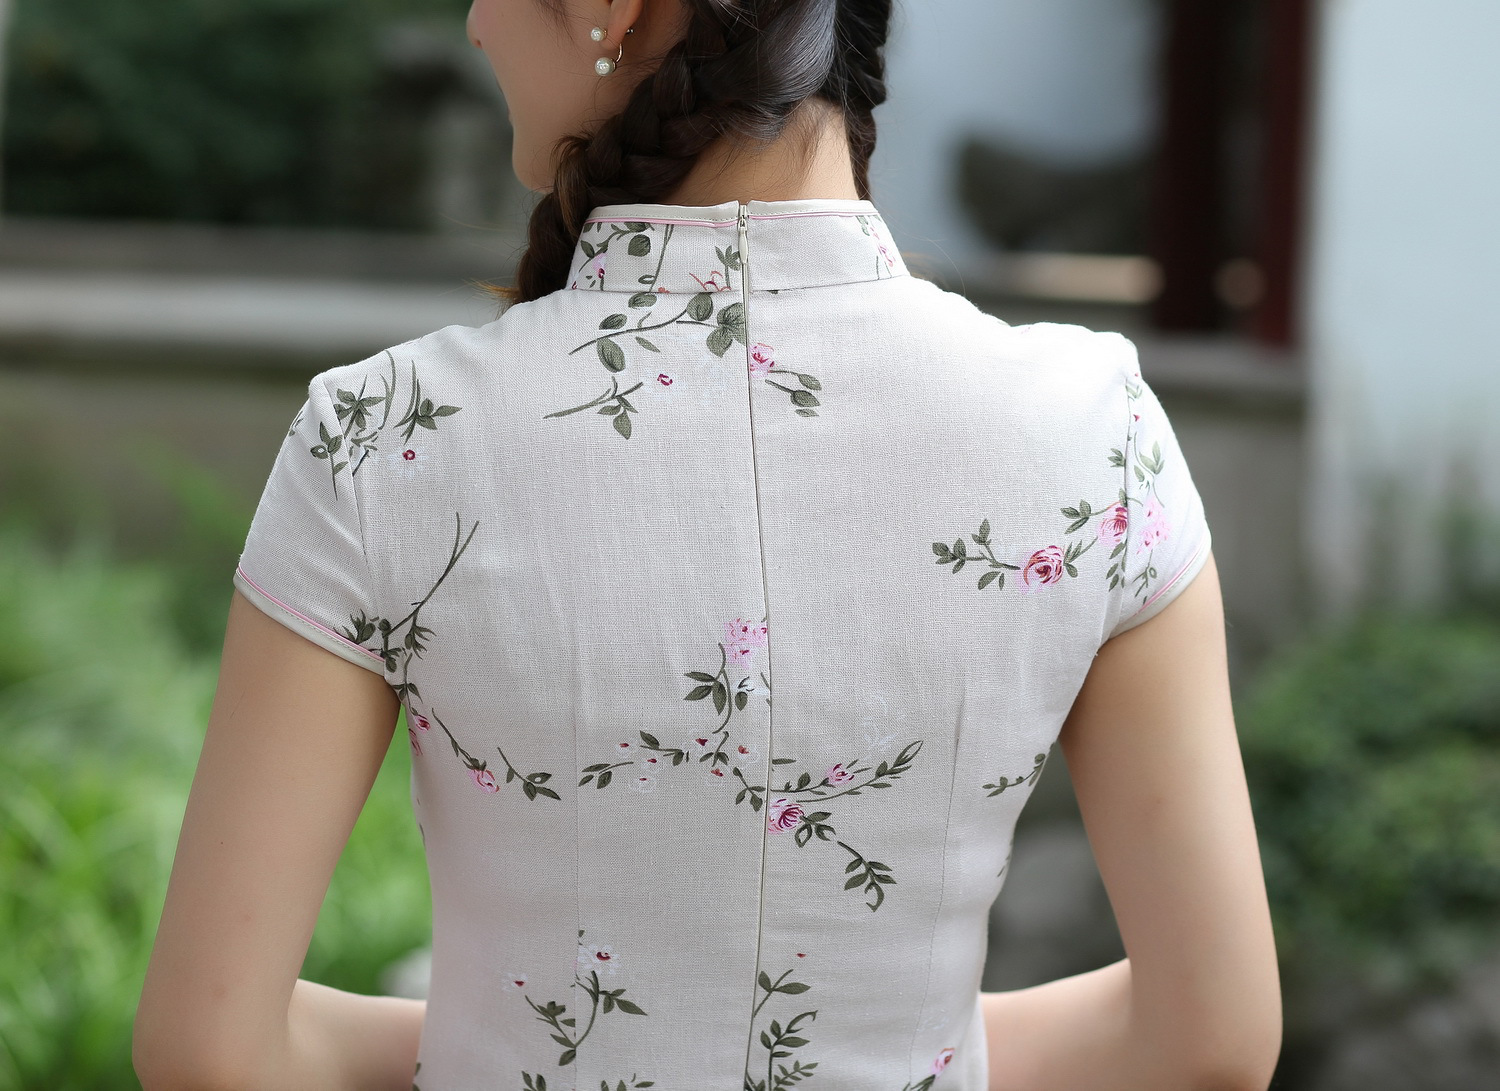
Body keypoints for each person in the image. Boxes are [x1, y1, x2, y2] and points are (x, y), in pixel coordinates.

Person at [133, 1, 1283, 1088]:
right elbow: (1212, 1039)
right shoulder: (1093, 432)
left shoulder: (384, 439)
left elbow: (212, 1046)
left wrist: (506, 1046)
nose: (475, 23)